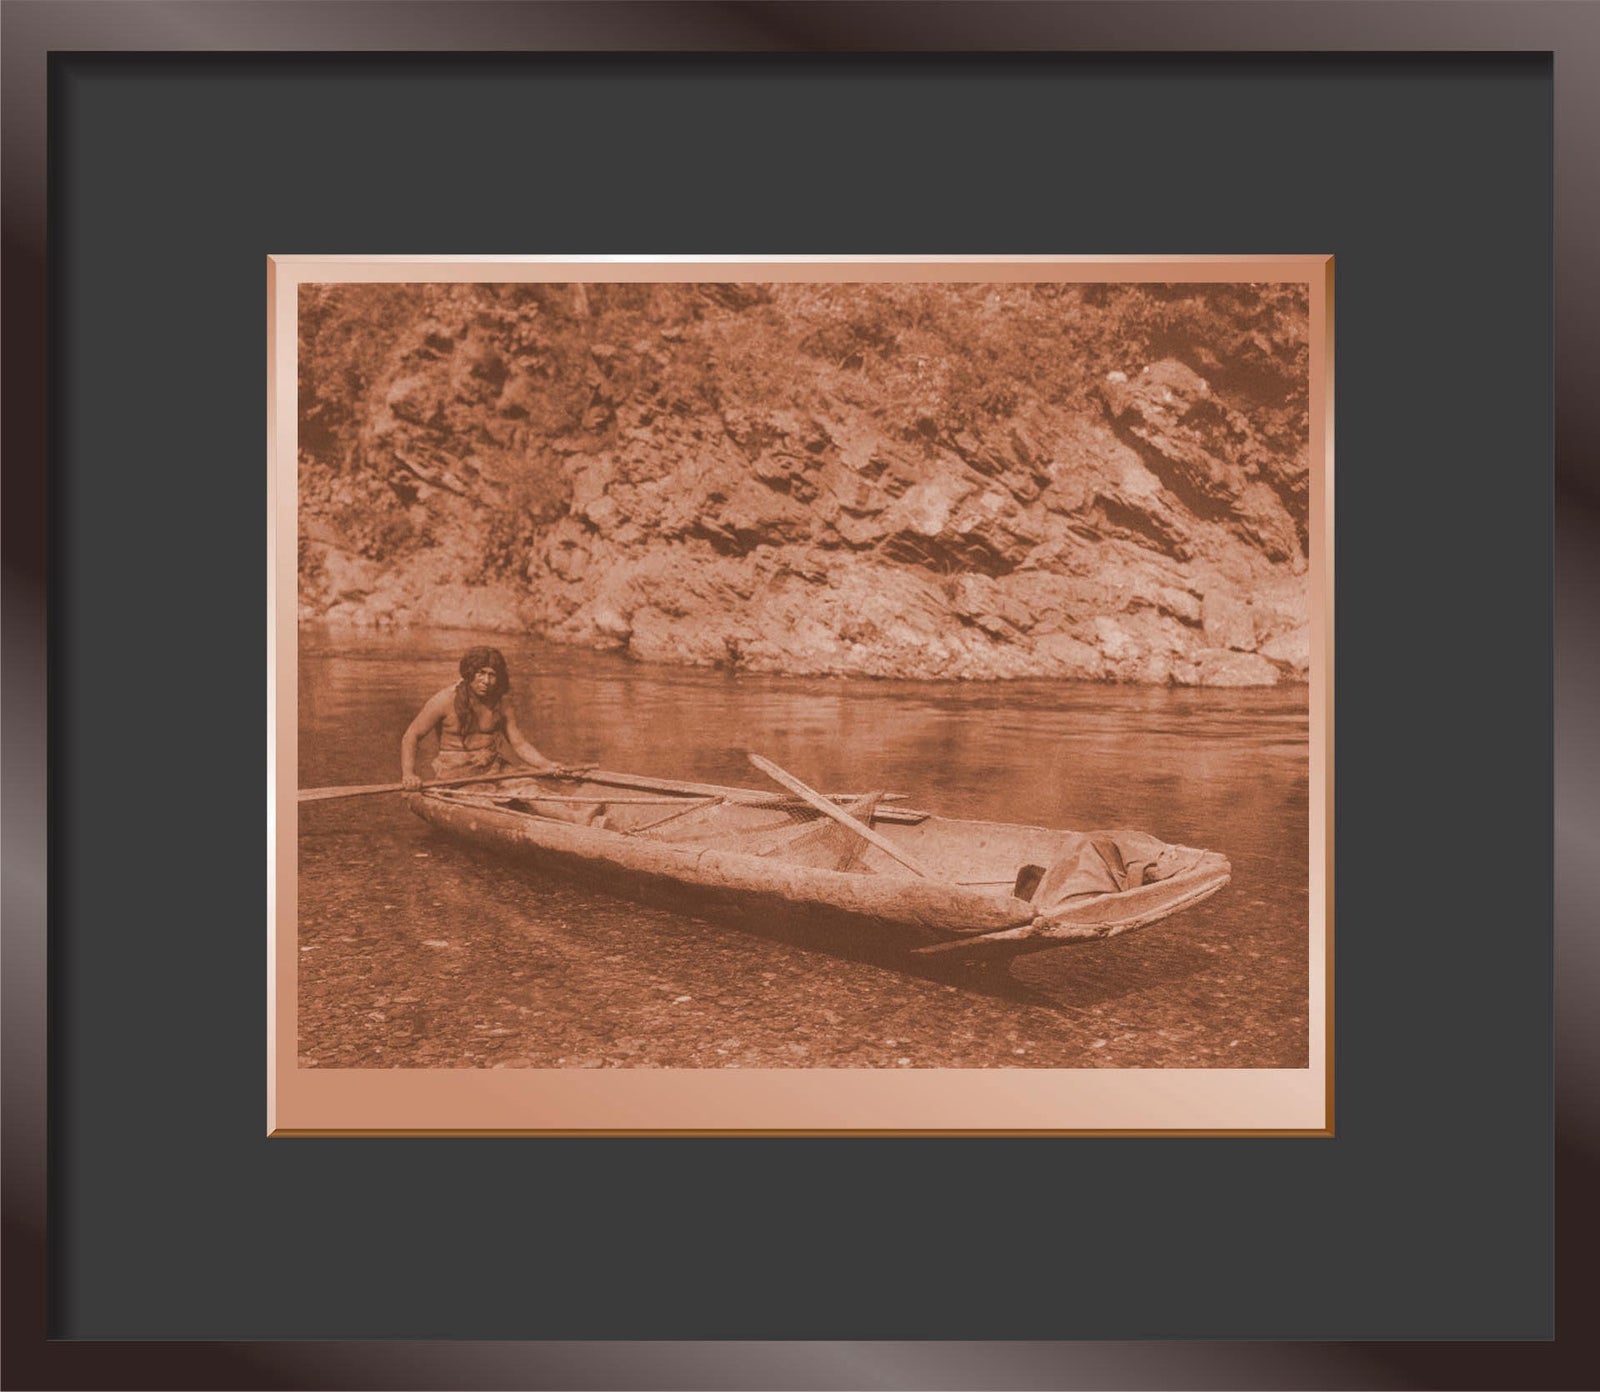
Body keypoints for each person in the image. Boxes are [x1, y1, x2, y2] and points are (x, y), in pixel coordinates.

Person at [400, 647, 568, 791]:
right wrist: (409, 774)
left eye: (492, 675)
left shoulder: (502, 703)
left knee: (530, 788)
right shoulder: (444, 700)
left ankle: (576, 816)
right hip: (455, 775)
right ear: (469, 673)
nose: (486, 681)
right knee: (483, 804)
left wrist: (545, 764)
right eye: (481, 673)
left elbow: (519, 744)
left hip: (494, 769)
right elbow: (411, 736)